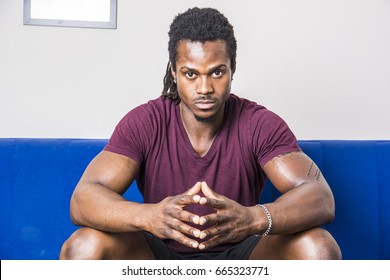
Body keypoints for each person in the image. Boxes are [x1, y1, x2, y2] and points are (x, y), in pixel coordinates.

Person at [60, 7, 341, 260]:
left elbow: (319, 197)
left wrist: (254, 218)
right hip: (158, 258)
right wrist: (149, 215)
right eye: (191, 74)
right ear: (174, 71)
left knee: (317, 247)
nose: (204, 88)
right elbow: (83, 198)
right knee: (83, 246)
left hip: (240, 259)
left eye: (217, 73)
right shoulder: (146, 122)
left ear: (233, 69)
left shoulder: (258, 123)